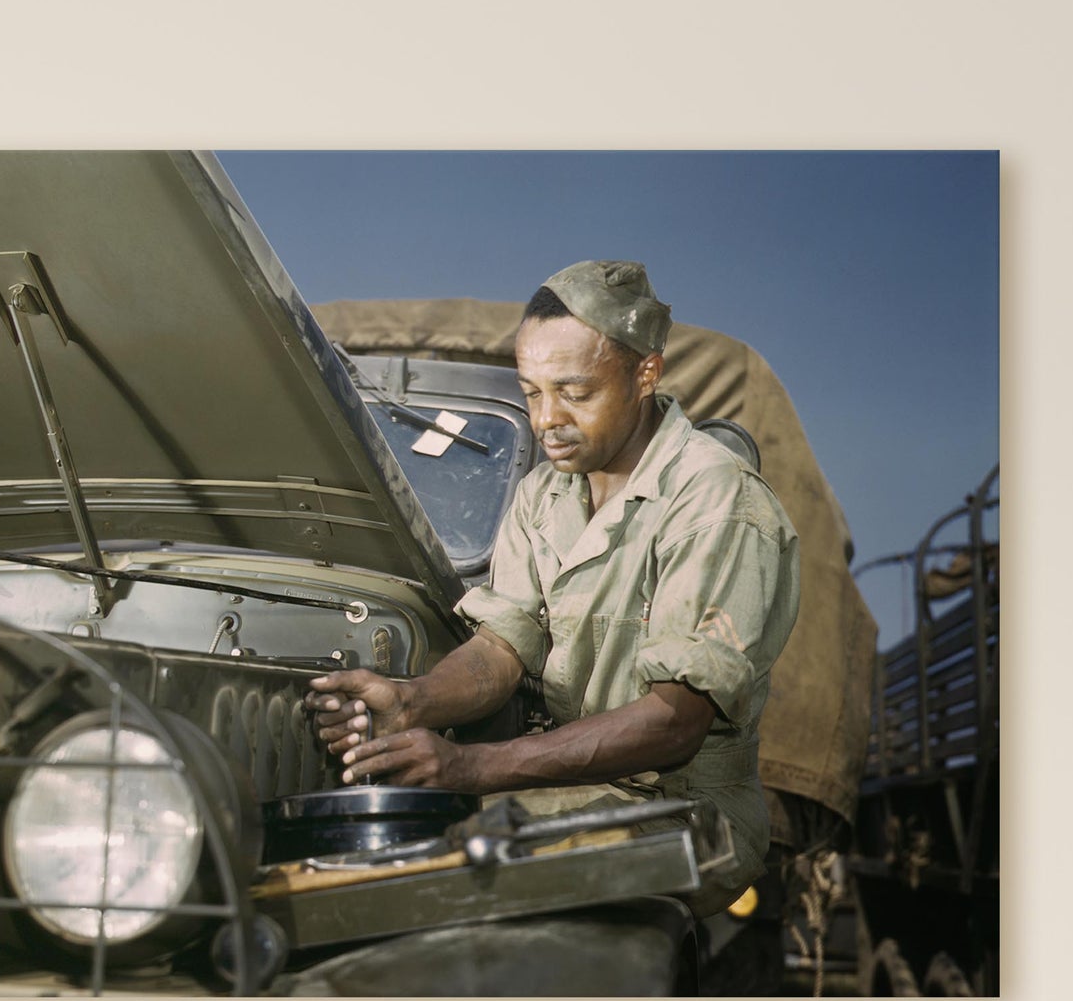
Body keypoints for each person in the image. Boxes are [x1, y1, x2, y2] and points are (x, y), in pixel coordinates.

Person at [306, 260, 800, 917]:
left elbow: (675, 721)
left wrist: (471, 768)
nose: (546, 420)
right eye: (531, 392)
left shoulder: (716, 500)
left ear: (644, 375)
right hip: (573, 787)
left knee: (429, 884)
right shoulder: (545, 493)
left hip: (684, 813)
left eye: (574, 391)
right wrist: (412, 699)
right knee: (371, 856)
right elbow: (503, 644)